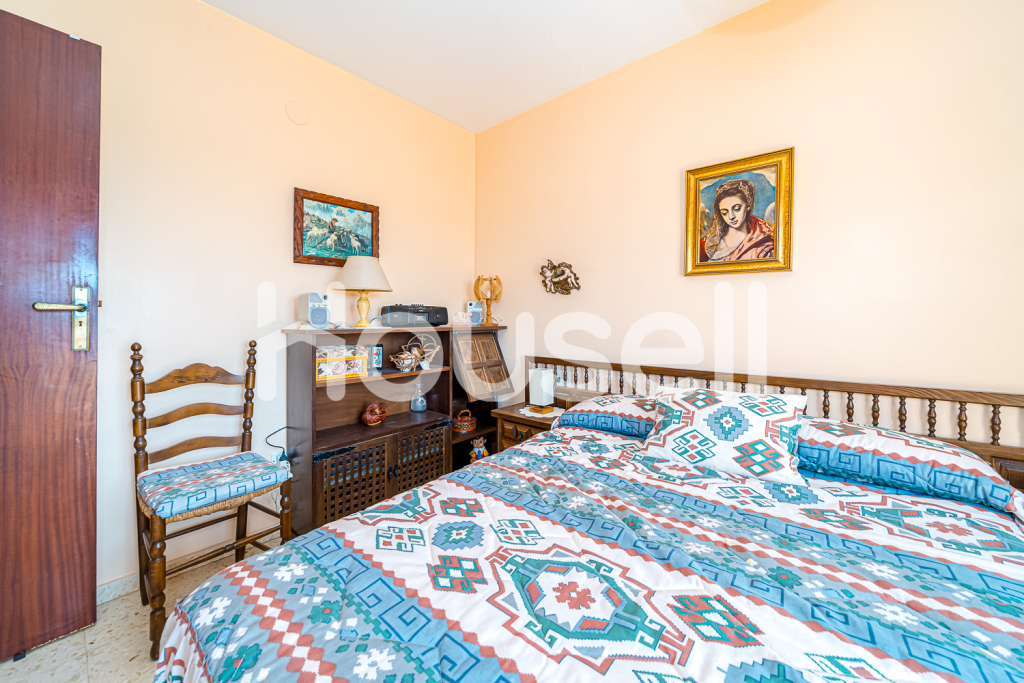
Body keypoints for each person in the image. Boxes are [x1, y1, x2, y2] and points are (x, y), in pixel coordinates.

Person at [700, 178, 775, 262]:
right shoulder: (712, 241)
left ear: (748, 205)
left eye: (736, 209)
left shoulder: (764, 243)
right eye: (724, 212)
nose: (731, 217)